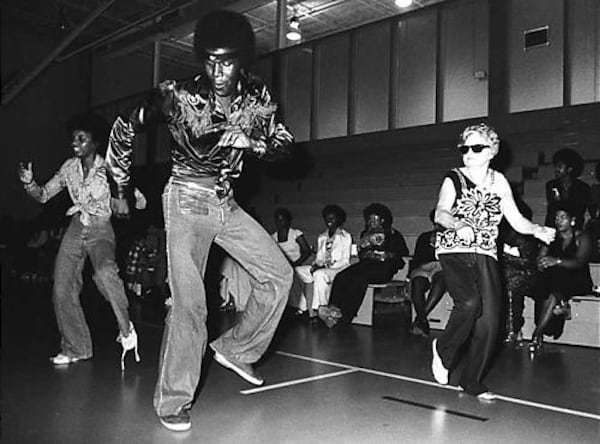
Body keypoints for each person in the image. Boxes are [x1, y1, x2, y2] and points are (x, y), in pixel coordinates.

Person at [105, 10, 294, 432]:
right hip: (186, 200)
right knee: (191, 305)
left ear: (242, 60)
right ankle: (173, 399)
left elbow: (285, 143)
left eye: (226, 61)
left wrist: (255, 141)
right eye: (209, 61)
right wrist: (119, 187)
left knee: (279, 275)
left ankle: (236, 349)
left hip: (225, 203)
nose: (217, 71)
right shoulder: (176, 96)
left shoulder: (257, 97)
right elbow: (122, 126)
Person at [431, 123, 555, 400]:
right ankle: (443, 350)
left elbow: (517, 220)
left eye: (477, 147)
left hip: (486, 253)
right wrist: (456, 223)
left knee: (490, 322)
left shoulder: (498, 181)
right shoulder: (454, 178)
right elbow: (440, 213)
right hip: (454, 250)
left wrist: (537, 230)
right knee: (470, 303)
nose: (469, 153)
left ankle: (471, 381)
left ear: (492, 151)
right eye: (464, 148)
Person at [17, 113, 139, 371]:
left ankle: (126, 328)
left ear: (95, 143)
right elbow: (44, 196)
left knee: (105, 273)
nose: (75, 142)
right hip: (75, 227)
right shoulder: (69, 167)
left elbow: (136, 197)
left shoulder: (109, 166)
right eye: (73, 138)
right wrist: (30, 184)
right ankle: (76, 348)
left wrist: (130, 199)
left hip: (101, 228)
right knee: (61, 287)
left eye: (81, 138)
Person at [317, 203, 408, 328]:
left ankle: (345, 316)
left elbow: (401, 253)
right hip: (366, 265)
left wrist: (384, 254)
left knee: (359, 279)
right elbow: (361, 254)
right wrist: (366, 252)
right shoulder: (365, 234)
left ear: (382, 220)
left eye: (374, 219)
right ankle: (332, 309)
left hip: (384, 268)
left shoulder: (393, 234)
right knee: (342, 276)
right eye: (369, 219)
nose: (371, 222)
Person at [529, 202, 593, 353]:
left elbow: (579, 262)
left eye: (563, 217)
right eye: (557, 218)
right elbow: (540, 258)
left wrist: (556, 261)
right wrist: (541, 263)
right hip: (556, 281)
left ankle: (537, 333)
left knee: (556, 279)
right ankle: (562, 305)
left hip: (577, 278)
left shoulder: (582, 237)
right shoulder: (551, 237)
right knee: (547, 283)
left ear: (572, 220)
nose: (558, 221)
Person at [295, 204, 352, 322]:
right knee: (298, 271)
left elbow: (345, 260)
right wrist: (316, 264)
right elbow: (319, 258)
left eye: (332, 218)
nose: (329, 221)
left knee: (318, 274)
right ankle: (304, 306)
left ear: (339, 219)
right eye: (327, 218)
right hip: (323, 267)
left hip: (338, 269)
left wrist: (325, 266)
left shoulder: (346, 236)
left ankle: (320, 309)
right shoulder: (322, 237)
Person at [498, 199, 540, 344]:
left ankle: (512, 329)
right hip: (505, 274)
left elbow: (527, 263)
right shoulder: (501, 234)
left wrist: (504, 256)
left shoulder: (527, 237)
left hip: (525, 275)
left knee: (510, 285)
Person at [408, 209, 446, 338]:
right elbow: (417, 258)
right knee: (418, 282)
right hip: (425, 267)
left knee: (441, 279)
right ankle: (422, 321)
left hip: (443, 268)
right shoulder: (424, 237)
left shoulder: (454, 238)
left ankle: (420, 320)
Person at [544, 148, 590, 230]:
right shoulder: (551, 185)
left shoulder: (582, 187)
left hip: (574, 227)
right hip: (554, 227)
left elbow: (579, 210)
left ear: (569, 169)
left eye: (560, 166)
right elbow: (553, 208)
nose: (556, 169)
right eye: (556, 166)